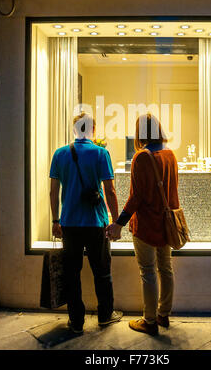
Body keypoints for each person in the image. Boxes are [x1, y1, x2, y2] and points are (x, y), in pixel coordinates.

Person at [50, 112, 123, 335]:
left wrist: (55, 220)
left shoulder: (60, 154)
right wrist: (116, 221)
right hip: (95, 222)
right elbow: (109, 190)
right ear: (93, 130)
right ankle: (104, 315)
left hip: (69, 223)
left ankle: (76, 321)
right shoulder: (101, 153)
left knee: (72, 273)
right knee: (102, 271)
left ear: (74, 130)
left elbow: (53, 191)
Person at [107, 113, 179, 336]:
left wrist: (118, 223)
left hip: (147, 224)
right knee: (165, 269)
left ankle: (149, 321)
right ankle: (163, 315)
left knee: (148, 271)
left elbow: (136, 196)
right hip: (167, 224)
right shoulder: (170, 154)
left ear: (141, 132)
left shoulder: (142, 157)